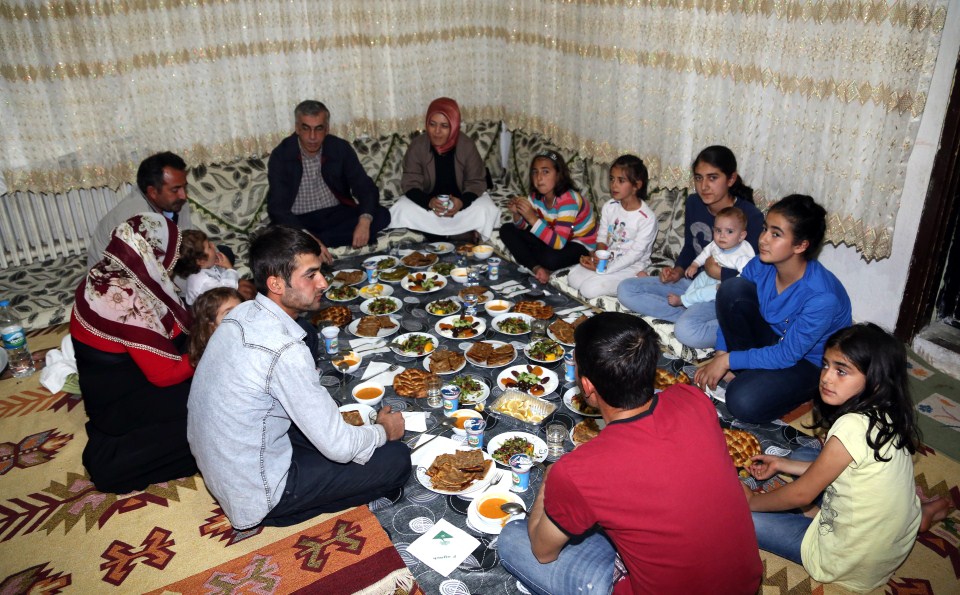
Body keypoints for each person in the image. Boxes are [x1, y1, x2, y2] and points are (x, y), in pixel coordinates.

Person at [499, 312, 763, 594]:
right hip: (745, 583)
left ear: (587, 386)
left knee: (513, 539)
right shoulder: (693, 399)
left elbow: (543, 552)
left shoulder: (578, 472)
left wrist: (550, 481)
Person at [187, 225, 410, 530]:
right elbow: (340, 447)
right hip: (258, 490)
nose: (323, 282)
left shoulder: (241, 312)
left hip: (228, 462)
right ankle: (284, 511)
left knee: (307, 336)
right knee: (396, 459)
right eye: (310, 275)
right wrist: (384, 431)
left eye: (320, 272)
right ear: (276, 284)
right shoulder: (285, 350)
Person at [744, 323, 948, 591]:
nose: (826, 377)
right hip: (886, 535)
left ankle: (813, 517)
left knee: (741, 518)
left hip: (847, 558)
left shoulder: (851, 426)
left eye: (841, 371)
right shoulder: (887, 411)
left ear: (875, 379)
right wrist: (783, 464)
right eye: (826, 365)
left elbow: (801, 495)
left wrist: (751, 502)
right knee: (806, 455)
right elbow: (844, 468)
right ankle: (919, 515)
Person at [694, 195, 852, 423]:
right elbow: (729, 310)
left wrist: (729, 361)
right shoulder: (761, 264)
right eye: (765, 229)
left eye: (776, 234)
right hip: (774, 339)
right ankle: (755, 373)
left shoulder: (821, 297)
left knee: (742, 401)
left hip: (807, 361)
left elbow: (788, 354)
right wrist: (721, 354)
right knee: (731, 289)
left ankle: (788, 388)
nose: (763, 239)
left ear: (801, 245)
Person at [71, 213, 198, 493]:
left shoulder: (110, 272)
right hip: (121, 399)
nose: (173, 262)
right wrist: (204, 353)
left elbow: (176, 328)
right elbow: (165, 375)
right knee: (209, 407)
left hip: (111, 384)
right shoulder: (126, 297)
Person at [617, 145, 764, 349]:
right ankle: (687, 309)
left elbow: (755, 275)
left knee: (687, 332)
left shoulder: (750, 216)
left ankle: (706, 319)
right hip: (692, 284)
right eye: (698, 178)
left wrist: (719, 272)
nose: (704, 186)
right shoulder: (694, 203)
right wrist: (677, 271)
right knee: (626, 289)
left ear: (731, 179)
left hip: (720, 293)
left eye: (713, 178)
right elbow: (690, 247)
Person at [267, 100, 390, 252]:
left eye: (319, 129)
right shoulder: (281, 155)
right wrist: (307, 235)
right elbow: (277, 207)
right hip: (299, 221)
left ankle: (307, 245)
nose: (312, 137)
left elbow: (365, 186)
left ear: (327, 129)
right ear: (297, 128)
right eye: (306, 128)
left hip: (336, 214)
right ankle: (312, 241)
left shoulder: (339, 148)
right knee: (274, 237)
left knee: (382, 215)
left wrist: (364, 222)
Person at [387, 97, 501, 241]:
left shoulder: (466, 145)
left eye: (444, 126)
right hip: (429, 204)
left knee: (487, 208)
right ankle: (455, 234)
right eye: (432, 124)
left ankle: (437, 234)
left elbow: (476, 182)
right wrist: (429, 202)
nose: (437, 131)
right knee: (402, 208)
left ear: (454, 126)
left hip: (461, 203)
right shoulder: (418, 146)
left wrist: (462, 202)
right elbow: (410, 183)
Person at [566, 155, 658, 299]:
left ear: (636, 185)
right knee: (573, 278)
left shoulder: (647, 218)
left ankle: (637, 280)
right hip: (608, 261)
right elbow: (602, 237)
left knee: (588, 290)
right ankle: (604, 277)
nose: (614, 185)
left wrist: (604, 269)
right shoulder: (610, 206)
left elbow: (635, 254)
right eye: (612, 179)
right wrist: (598, 258)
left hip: (631, 266)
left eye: (621, 181)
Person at [499, 151, 597, 284]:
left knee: (550, 259)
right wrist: (517, 213)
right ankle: (536, 267)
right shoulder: (535, 196)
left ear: (558, 175)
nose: (539, 178)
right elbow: (522, 227)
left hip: (578, 243)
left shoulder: (568, 200)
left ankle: (532, 258)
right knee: (507, 229)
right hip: (552, 236)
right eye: (535, 172)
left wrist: (531, 217)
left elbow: (559, 243)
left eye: (545, 172)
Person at [87, 152, 196, 268]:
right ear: (153, 192)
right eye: (175, 190)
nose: (183, 195)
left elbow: (189, 244)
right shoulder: (134, 219)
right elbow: (144, 271)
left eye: (184, 187)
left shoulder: (176, 203)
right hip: (119, 275)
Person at [669, 206, 755, 309]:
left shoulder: (742, 254)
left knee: (706, 292)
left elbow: (745, 276)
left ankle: (683, 300)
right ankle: (688, 298)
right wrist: (695, 264)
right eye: (718, 230)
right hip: (709, 275)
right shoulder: (715, 244)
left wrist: (729, 286)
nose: (722, 235)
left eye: (729, 231)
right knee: (700, 278)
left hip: (723, 284)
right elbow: (705, 253)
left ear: (741, 236)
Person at [174, 230, 245, 306]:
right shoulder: (203, 281)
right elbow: (228, 293)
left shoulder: (203, 266)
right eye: (209, 247)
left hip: (218, 292)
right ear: (201, 261)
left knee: (225, 250)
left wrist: (218, 264)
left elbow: (219, 274)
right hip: (219, 305)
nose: (213, 245)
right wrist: (229, 268)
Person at [186, 287, 242, 366]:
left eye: (242, 309)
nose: (240, 316)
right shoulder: (220, 360)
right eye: (229, 313)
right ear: (212, 326)